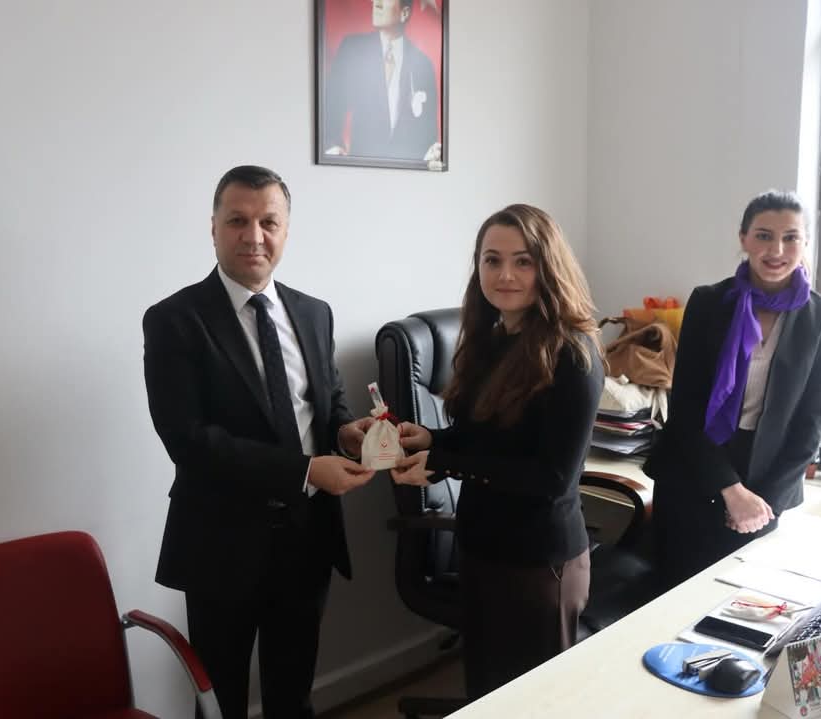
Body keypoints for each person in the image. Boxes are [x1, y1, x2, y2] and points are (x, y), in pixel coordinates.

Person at [142, 165, 376, 718]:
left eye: (269, 222)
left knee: (293, 694)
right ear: (214, 228)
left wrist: (347, 432)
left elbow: (326, 402)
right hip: (222, 543)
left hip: (307, 538)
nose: (254, 236)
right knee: (220, 699)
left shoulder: (313, 313)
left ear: (286, 230)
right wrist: (305, 470)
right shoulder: (175, 320)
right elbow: (189, 440)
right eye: (237, 221)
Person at [389, 204, 604, 699]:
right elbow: (485, 439)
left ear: (548, 268)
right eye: (492, 260)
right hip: (482, 547)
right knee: (486, 694)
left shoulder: (574, 353)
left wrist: (444, 462)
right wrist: (432, 440)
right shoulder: (491, 340)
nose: (505, 274)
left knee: (534, 702)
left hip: (538, 561)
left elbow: (551, 478)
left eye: (523, 261)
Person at [644, 190, 821, 589]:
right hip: (694, 470)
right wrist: (730, 490)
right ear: (744, 238)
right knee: (671, 597)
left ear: (805, 242)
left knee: (741, 602)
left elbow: (811, 421)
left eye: (791, 237)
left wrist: (763, 503)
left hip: (766, 485)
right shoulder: (708, 302)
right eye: (764, 235)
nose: (777, 250)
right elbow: (685, 408)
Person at [323, 0, 439, 162]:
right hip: (357, 169)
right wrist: (332, 149)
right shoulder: (353, 49)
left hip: (407, 173)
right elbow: (332, 107)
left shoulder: (423, 64)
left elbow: (429, 134)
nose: (376, 4)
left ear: (404, 13)